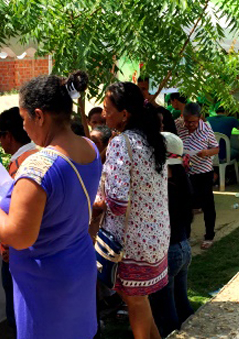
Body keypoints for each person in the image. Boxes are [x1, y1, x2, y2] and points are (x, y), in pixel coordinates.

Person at [0, 71, 101, 339]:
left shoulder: (39, 166)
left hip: (45, 280)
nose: (25, 128)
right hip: (78, 264)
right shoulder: (89, 147)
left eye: (24, 119)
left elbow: (18, 237)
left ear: (39, 116)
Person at [98, 81, 170, 339]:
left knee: (136, 302)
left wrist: (97, 201)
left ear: (124, 114)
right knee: (140, 300)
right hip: (156, 237)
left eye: (107, 109)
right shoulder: (153, 140)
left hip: (130, 243)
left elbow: (117, 203)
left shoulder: (121, 144)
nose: (104, 113)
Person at [0, 106, 38, 330]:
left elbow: (13, 214)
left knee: (20, 318)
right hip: (42, 250)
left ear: (8, 136)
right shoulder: (45, 154)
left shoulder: (20, 165)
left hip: (19, 253)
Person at [148, 132, 195, 337]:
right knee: (182, 304)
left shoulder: (163, 188)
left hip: (169, 253)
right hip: (183, 247)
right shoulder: (183, 181)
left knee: (166, 314)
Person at [176, 102, 220, 250]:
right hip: (186, 171)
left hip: (203, 170)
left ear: (200, 118)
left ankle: (209, 235)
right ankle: (185, 235)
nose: (189, 125)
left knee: (207, 203)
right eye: (187, 121)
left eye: (193, 122)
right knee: (185, 205)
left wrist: (206, 153)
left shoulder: (205, 127)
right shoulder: (177, 125)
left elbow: (216, 148)